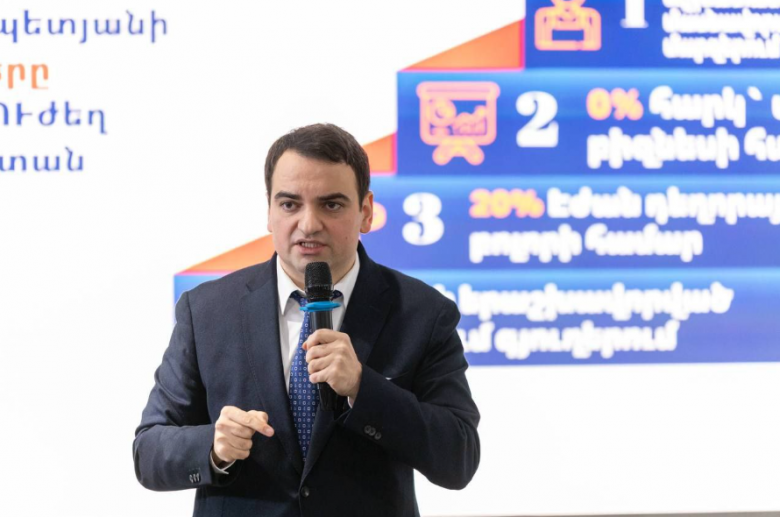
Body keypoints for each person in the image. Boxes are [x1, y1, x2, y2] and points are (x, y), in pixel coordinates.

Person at [133, 123, 480, 516]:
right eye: (289, 204)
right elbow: (149, 451)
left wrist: (363, 388)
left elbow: (459, 457)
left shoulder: (423, 313)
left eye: (331, 205)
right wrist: (213, 446)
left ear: (366, 212)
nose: (309, 224)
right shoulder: (207, 310)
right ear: (269, 211)